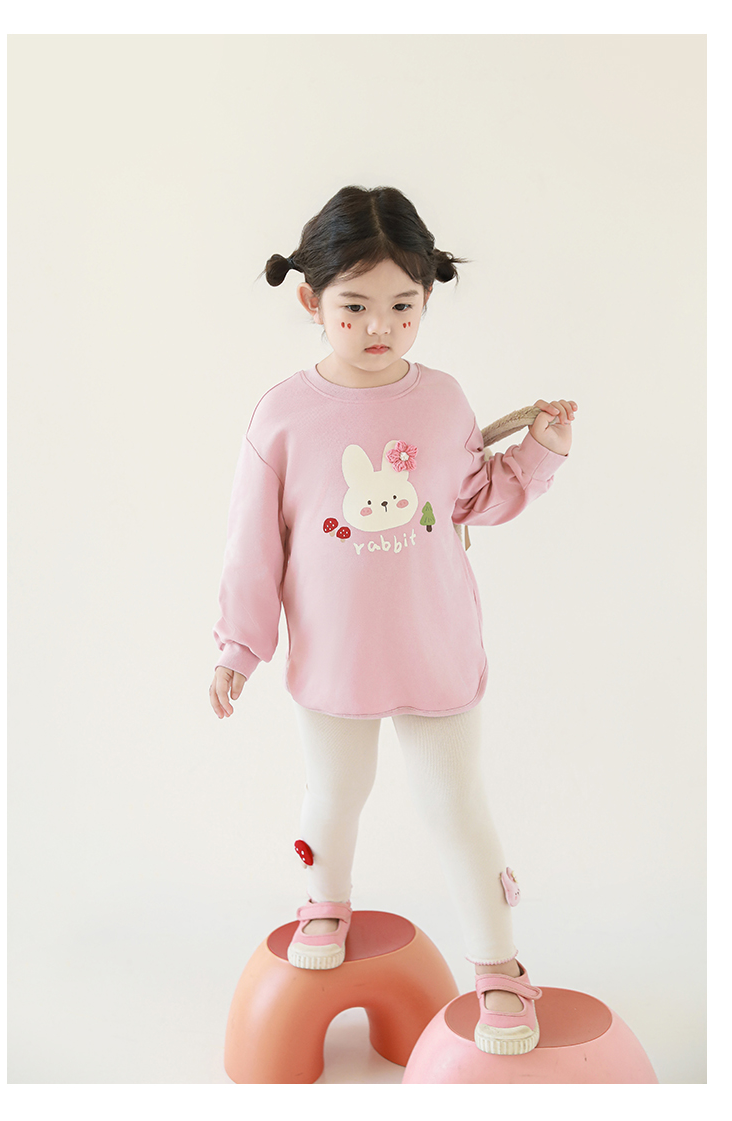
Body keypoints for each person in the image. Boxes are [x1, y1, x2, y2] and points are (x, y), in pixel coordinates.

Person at [209, 185, 576, 1056]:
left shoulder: (443, 400)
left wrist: (541, 452)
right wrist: (239, 646)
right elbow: (252, 544)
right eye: (355, 307)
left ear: (427, 297)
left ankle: (498, 967)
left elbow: (473, 501)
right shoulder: (282, 414)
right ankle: (324, 902)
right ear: (311, 301)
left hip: (434, 650)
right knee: (333, 794)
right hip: (335, 659)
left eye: (404, 306)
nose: (381, 326)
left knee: (458, 807)